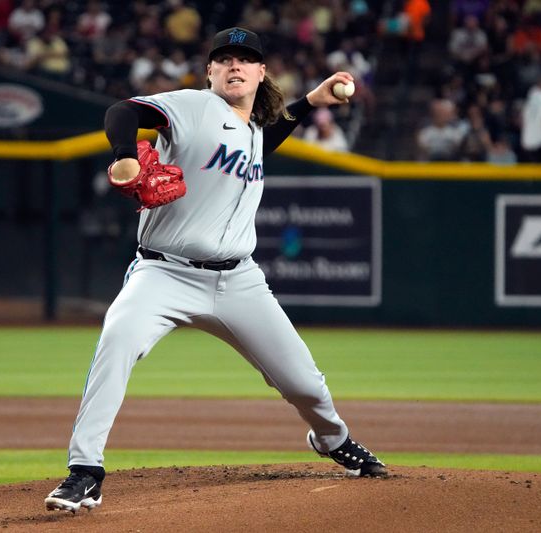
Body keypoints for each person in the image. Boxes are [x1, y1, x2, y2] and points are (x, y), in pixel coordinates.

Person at [44, 27, 387, 515]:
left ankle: (333, 439)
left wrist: (312, 100)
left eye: (245, 60)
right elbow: (121, 112)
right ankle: (85, 471)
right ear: (210, 71)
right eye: (224, 59)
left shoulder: (250, 130)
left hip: (239, 282)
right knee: (117, 340)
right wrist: (125, 155)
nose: (234, 66)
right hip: (164, 275)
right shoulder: (191, 107)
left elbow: (263, 141)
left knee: (305, 384)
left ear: (261, 72)